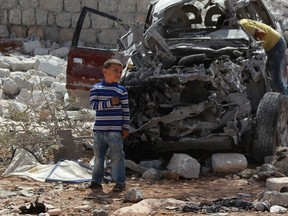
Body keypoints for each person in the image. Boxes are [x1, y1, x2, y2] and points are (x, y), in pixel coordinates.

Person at [89, 58, 130, 192]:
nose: (118, 74)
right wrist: (110, 103)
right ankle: (96, 181)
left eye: (120, 71)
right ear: (105, 71)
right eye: (115, 71)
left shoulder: (121, 90)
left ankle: (119, 182)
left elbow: (125, 110)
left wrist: (125, 127)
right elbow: (94, 105)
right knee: (99, 157)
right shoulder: (96, 88)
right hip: (99, 131)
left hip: (115, 130)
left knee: (117, 157)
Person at [240, 18, 288, 95]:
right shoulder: (243, 23)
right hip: (274, 45)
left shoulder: (244, 25)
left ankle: (284, 101)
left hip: (275, 46)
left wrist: (254, 48)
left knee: (275, 82)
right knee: (273, 77)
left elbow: (261, 33)